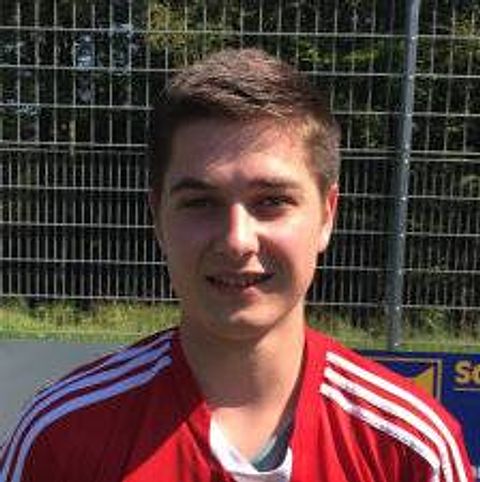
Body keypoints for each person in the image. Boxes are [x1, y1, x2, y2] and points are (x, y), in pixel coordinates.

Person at [0, 48, 472, 482]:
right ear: (158, 218)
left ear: (327, 215)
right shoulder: (62, 436)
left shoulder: (412, 449)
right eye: (200, 203)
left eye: (271, 201)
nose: (236, 240)